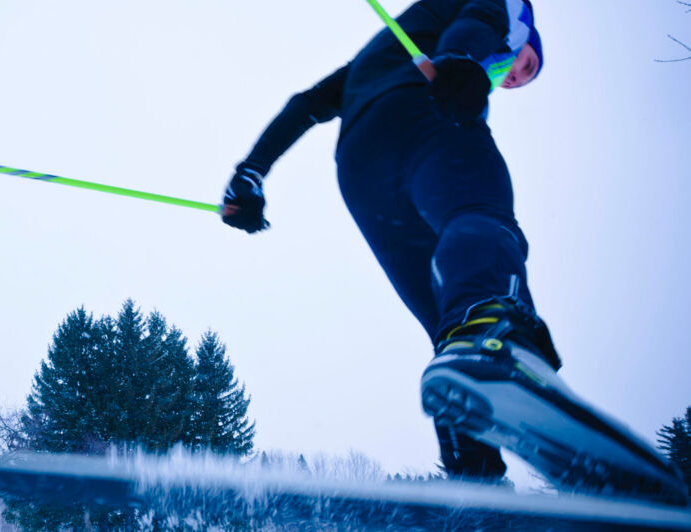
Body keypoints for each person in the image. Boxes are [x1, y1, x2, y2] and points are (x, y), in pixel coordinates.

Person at [221, 0, 688, 504]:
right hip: (425, 116)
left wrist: (252, 171)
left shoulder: (386, 49)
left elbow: (309, 103)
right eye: (523, 64)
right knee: (481, 217)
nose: (511, 75)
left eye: (519, 80)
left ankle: (474, 473)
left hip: (360, 168)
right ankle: (499, 344)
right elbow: (485, 18)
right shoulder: (507, 15)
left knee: (452, 324)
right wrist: (464, 57)